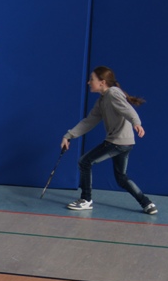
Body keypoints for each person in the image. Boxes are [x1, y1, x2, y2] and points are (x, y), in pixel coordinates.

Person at [62, 66, 157, 215]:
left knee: (85, 162)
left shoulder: (113, 93)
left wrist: (136, 123)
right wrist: (69, 135)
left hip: (117, 142)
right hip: (126, 143)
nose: (89, 82)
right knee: (121, 178)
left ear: (102, 82)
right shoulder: (102, 100)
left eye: (92, 79)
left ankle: (86, 199)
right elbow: (89, 122)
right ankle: (147, 203)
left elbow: (128, 110)